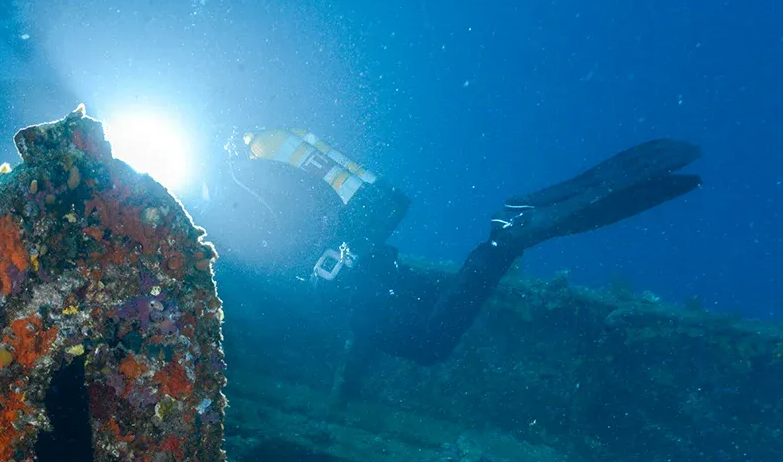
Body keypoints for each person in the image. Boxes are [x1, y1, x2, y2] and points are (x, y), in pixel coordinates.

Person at [226, 128, 701, 377]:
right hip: (360, 263)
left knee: (429, 342)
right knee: (437, 296)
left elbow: (266, 266)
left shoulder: (226, 192)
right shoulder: (254, 165)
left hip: (344, 291)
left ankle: (508, 237)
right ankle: (509, 230)